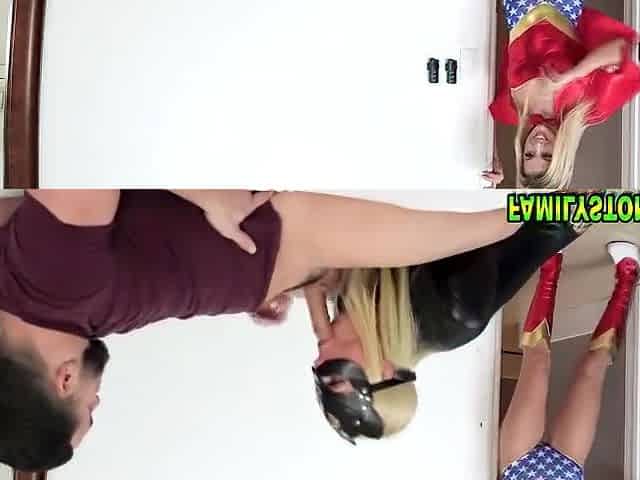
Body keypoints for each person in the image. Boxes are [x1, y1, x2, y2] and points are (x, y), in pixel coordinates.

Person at [0, 189, 522, 471]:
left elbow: (86, 143)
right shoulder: (55, 307)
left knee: (508, 217)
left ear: (62, 381)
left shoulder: (55, 285)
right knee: (503, 214)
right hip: (306, 252)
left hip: (299, 230)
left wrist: (206, 194)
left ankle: (579, 200)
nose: (97, 399)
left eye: (89, 410)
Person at [302, 218, 592, 443]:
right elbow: (479, 212)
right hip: (556, 210)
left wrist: (310, 283)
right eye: (334, 377)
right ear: (386, 370)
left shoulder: (353, 308)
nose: (318, 362)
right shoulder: (451, 309)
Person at [499, 242, 639, 480]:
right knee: (594, 367)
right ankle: (628, 279)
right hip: (567, 472)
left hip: (518, 467)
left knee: (537, 360)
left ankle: (551, 262)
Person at [484, 1, 640, 189]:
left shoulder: (512, 109)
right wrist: (573, 74)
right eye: (547, 155)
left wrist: (491, 158)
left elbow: (479, 114)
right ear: (561, 158)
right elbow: (621, 50)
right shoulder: (587, 109)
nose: (538, 144)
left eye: (529, 154)